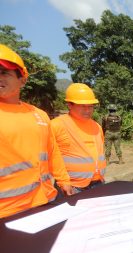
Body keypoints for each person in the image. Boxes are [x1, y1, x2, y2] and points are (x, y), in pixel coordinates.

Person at [0, 44, 72, 218]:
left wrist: (63, 180)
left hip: (45, 201)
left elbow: (52, 151)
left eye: (4, 72)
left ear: (22, 79)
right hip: (7, 211)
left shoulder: (38, 115)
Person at [51, 83, 106, 193]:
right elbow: (51, 156)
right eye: (82, 106)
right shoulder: (56, 125)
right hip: (72, 187)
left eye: (90, 106)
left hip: (98, 182)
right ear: (69, 105)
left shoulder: (97, 127)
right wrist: (63, 182)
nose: (88, 110)